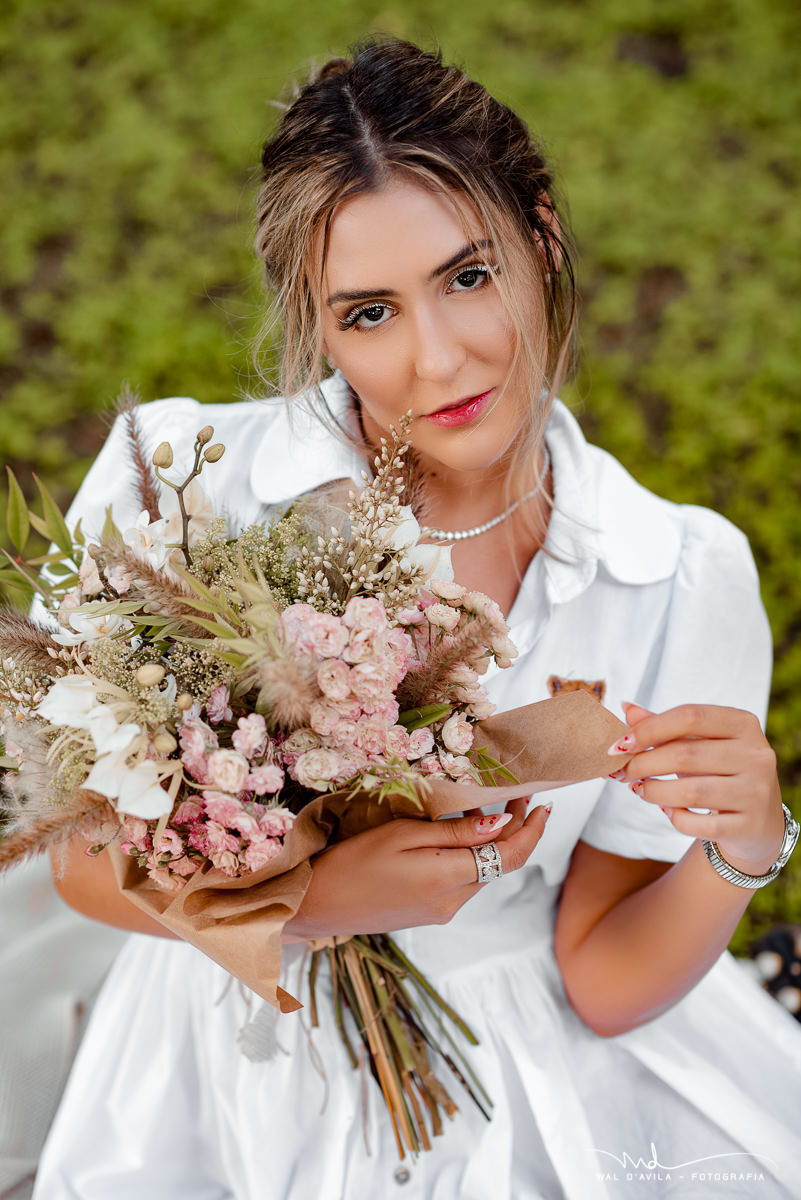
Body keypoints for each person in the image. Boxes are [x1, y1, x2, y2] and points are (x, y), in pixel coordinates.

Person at [31, 38, 801, 1200]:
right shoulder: (189, 496)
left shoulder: (678, 575)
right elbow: (81, 866)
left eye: (470, 276)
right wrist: (318, 899)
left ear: (542, 238)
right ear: (318, 323)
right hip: (230, 1052)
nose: (437, 358)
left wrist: (743, 848)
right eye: (370, 312)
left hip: (514, 1047)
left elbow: (603, 981)